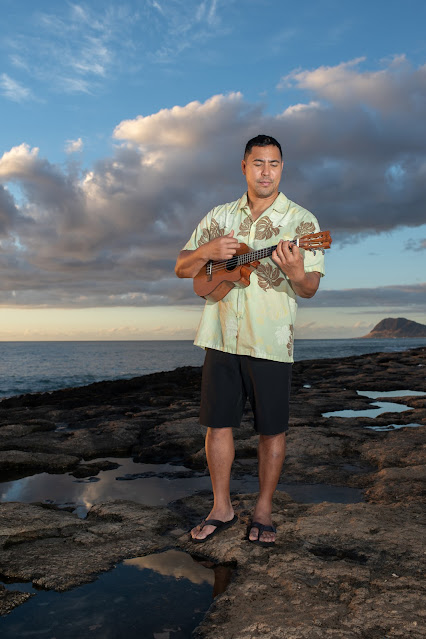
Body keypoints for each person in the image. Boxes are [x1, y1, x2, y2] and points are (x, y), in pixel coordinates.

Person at [175, 135, 325, 546]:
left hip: (271, 341)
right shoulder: (219, 216)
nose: (265, 171)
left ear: (282, 168)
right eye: (257, 163)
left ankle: (263, 511)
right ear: (243, 166)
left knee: (271, 429)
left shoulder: (302, 223)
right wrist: (208, 248)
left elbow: (309, 287)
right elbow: (183, 268)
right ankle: (221, 508)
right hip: (221, 337)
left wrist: (295, 272)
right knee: (217, 425)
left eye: (274, 164)